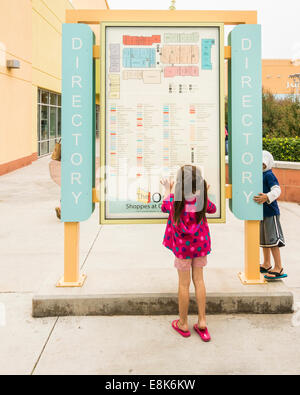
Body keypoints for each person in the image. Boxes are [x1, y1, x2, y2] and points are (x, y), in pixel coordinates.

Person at [160, 165, 216, 342]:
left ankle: (183, 323)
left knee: (183, 284)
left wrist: (167, 189)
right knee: (199, 281)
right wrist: (204, 192)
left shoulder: (176, 201)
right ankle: (202, 322)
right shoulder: (200, 200)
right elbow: (212, 209)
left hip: (183, 250)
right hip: (200, 246)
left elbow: (163, 207)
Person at [253, 151, 287, 280]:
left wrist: (267, 196)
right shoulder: (258, 175)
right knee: (264, 240)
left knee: (273, 241)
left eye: (263, 164)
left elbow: (277, 190)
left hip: (271, 212)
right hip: (261, 213)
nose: (261, 166)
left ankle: (278, 267)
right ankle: (267, 263)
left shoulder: (269, 175)